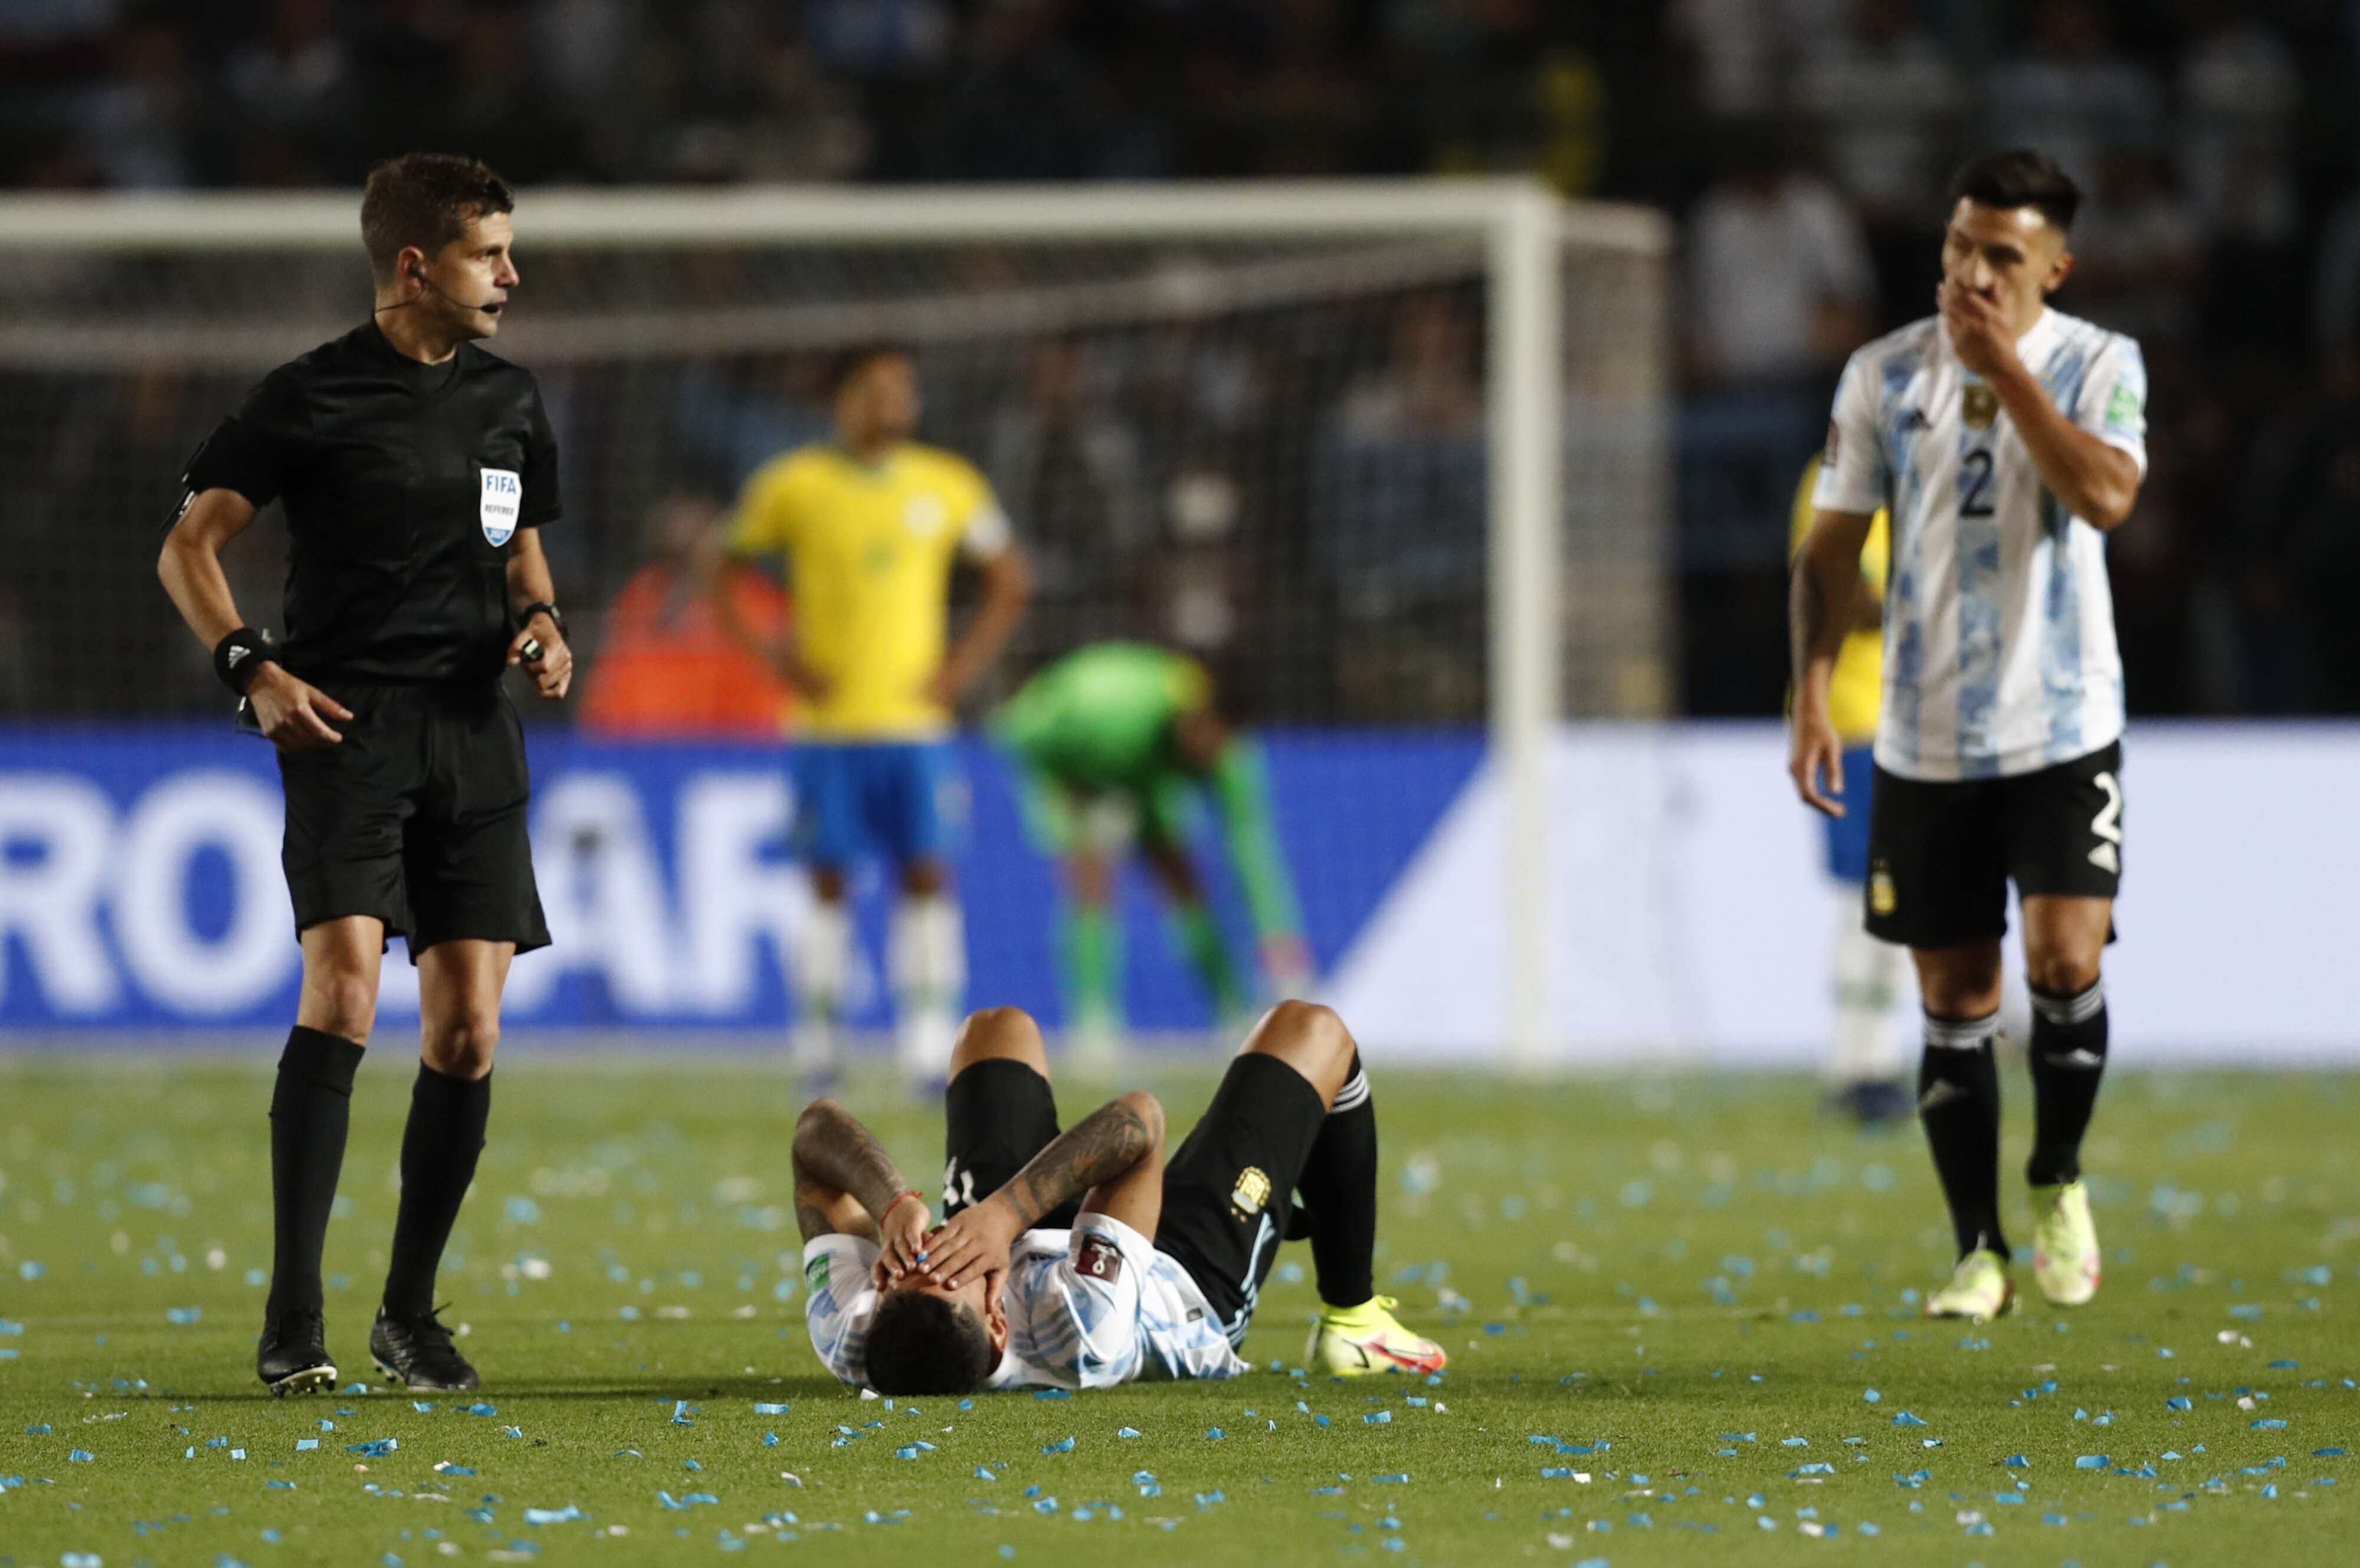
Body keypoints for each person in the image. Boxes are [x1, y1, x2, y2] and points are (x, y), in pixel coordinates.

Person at [156, 152, 572, 1393]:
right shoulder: (307, 396)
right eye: (488, 254)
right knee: (342, 995)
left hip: (473, 731)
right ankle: (293, 1320)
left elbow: (525, 564)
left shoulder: (510, 400)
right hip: (346, 728)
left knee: (467, 1031)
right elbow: (188, 547)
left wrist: (545, 630)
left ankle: (406, 1312)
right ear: (413, 266)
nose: (512, 273)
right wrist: (250, 668)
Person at [1789, 149, 2146, 1323]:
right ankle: (1975, 1253)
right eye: (1958, 246)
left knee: (2062, 962)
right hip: (1922, 734)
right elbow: (1829, 547)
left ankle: (2055, 1175)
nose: (1973, 271)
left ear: (2053, 264)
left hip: (2061, 722)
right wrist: (1805, 692)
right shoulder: (1879, 375)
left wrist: (2005, 377)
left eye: (2001, 254)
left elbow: (2101, 498)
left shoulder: (2100, 364)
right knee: (1952, 993)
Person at [790, 1003, 1444, 1393]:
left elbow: (813, 1136)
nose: (928, 1254)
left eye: (905, 1268)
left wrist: (893, 1204)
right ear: (997, 1323)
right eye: (950, 1272)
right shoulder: (1079, 1329)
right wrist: (1003, 1215)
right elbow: (1139, 1128)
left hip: (1030, 1242)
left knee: (996, 1030)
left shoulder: (851, 1333)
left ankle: (1006, 1219)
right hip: (1177, 1278)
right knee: (1314, 1030)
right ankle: (1355, 1323)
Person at [714, 345, 1031, 1087]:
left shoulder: (948, 485)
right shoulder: (793, 485)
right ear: (843, 400)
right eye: (879, 390)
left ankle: (925, 1039)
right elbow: (719, 566)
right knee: (826, 881)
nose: (896, 404)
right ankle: (819, 1039)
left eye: (905, 391)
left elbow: (1010, 579)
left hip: (916, 726)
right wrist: (773, 658)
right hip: (827, 727)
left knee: (926, 874)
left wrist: (959, 670)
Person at [991, 642, 1309, 1058]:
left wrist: (1282, 950)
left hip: (1142, 773)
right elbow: (1016, 732)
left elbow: (1250, 851)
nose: (1208, 757)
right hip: (1072, 761)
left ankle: (1233, 1012)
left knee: (1184, 882)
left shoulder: (1230, 761)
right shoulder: (1110, 714)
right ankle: (1093, 1024)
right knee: (1091, 882)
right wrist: (1081, 794)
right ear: (1193, 721)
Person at [1786, 460, 1910, 1125]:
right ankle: (1860, 1065)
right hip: (1853, 719)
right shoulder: (1840, 480)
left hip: (1914, 721)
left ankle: (1867, 1062)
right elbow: (1841, 594)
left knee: (1900, 894)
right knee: (1864, 895)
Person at [578, 495, 792, 737]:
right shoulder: (644, 592)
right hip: (637, 741)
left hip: (736, 743)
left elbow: (772, 678)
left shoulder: (756, 598)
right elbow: (611, 675)